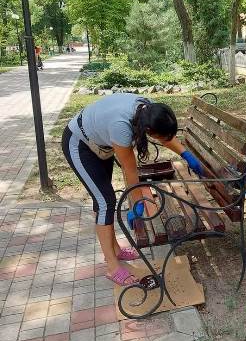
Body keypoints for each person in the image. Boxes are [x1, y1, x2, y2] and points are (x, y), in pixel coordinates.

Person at [61, 94, 204, 286]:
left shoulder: (149, 110)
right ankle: (112, 266)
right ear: (148, 130)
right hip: (79, 145)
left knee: (104, 200)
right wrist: (137, 206)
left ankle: (116, 250)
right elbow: (130, 171)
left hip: (101, 143)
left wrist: (186, 154)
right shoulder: (121, 126)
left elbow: (165, 136)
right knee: (105, 202)